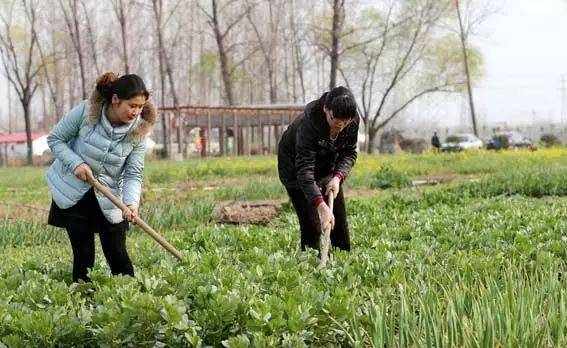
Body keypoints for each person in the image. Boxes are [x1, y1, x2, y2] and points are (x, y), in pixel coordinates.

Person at [46, 72, 156, 282]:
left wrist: (132, 203)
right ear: (115, 100)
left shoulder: (138, 133)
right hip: (73, 191)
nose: (136, 112)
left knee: (118, 253)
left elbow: (133, 172)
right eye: (131, 105)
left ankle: (129, 295)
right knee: (84, 254)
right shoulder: (86, 113)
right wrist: (76, 163)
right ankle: (83, 300)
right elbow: (56, 139)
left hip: (109, 194)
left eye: (140, 107)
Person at [278, 86, 359, 253]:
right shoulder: (308, 124)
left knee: (339, 222)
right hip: (295, 168)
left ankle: (342, 261)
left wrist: (337, 177)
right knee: (312, 224)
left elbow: (349, 152)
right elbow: (305, 171)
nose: (340, 128)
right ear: (325, 109)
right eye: (335, 122)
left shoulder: (351, 120)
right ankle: (310, 263)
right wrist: (321, 207)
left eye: (345, 124)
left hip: (327, 164)